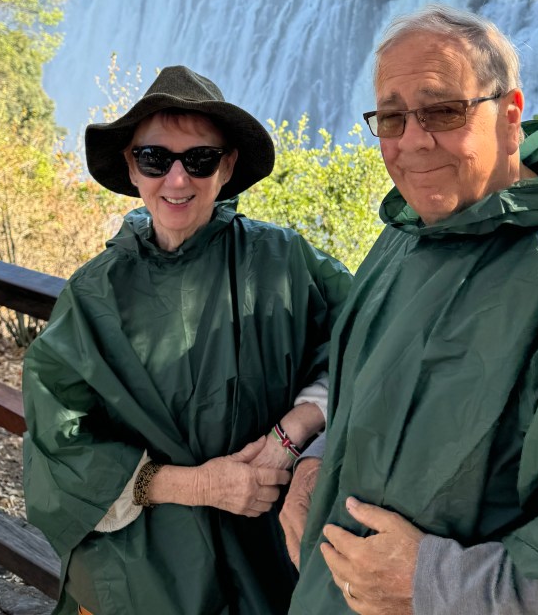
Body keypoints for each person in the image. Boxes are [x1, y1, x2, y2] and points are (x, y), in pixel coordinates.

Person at [283, 4, 538, 615]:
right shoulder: (405, 237)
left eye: (443, 111)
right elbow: (376, 391)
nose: (412, 141)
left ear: (510, 117)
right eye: (391, 118)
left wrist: (434, 584)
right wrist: (317, 466)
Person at [22, 66, 351, 615]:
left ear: (227, 167)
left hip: (266, 547)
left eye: (200, 159)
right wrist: (198, 486)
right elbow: (59, 442)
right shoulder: (92, 295)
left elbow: (369, 339)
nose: (177, 181)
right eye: (155, 159)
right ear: (132, 166)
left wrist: (292, 433)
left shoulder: (283, 263)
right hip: (140, 565)